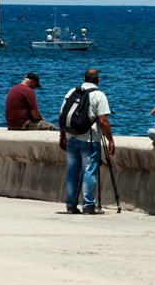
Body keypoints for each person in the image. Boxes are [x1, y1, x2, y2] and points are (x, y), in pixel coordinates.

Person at [59, 69, 115, 214]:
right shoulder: (99, 95)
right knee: (89, 172)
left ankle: (70, 205)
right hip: (89, 140)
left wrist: (62, 136)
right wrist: (110, 140)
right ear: (98, 80)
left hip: (71, 137)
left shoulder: (72, 91)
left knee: (72, 171)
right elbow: (102, 120)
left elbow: (62, 116)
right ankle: (88, 205)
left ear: (84, 79)